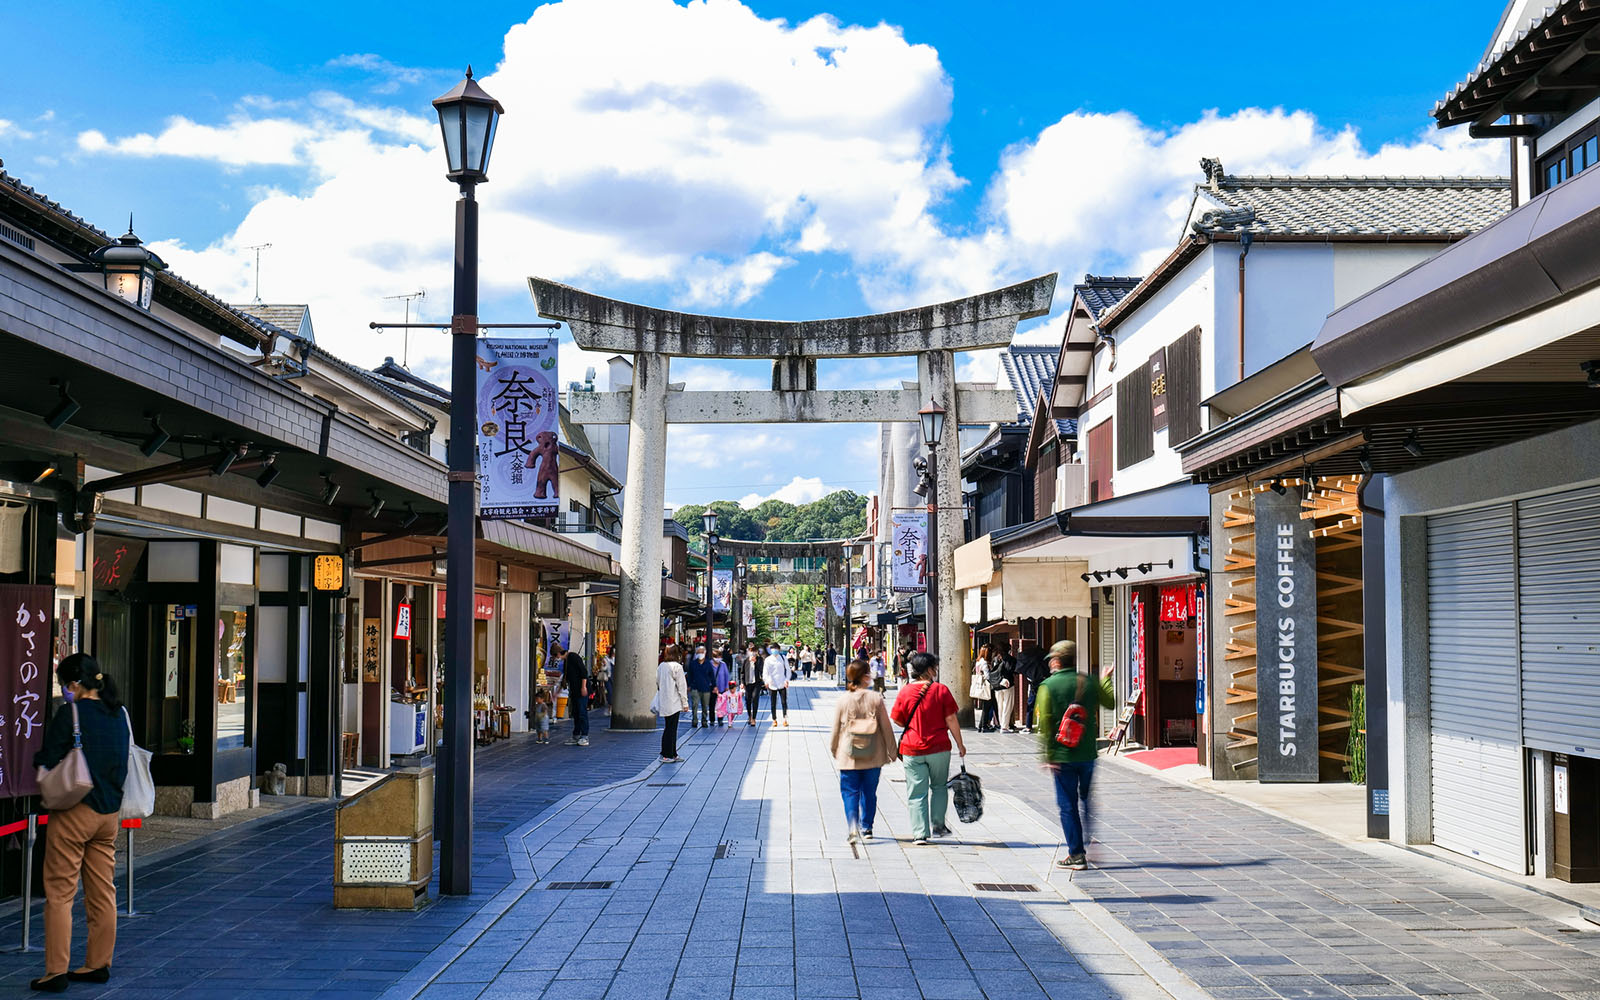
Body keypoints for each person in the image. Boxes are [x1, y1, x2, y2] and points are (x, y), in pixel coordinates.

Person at [32, 653, 129, 992]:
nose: (64, 691)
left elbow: (48, 757)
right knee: (103, 891)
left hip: (74, 811)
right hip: (109, 814)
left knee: (60, 891)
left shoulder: (70, 712)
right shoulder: (119, 713)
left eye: (64, 685)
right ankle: (98, 963)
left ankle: (56, 971)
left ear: (74, 684)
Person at [1034, 640, 1114, 870]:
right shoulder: (1087, 681)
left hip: (1062, 755)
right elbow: (1110, 702)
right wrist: (1105, 680)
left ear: (1057, 661)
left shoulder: (1048, 686)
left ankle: (1077, 854)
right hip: (1087, 754)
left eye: (1051, 660)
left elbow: (1044, 724)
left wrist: (1047, 754)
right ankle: (1088, 837)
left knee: (1067, 805)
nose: (1050, 664)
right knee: (1086, 799)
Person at [889, 652, 966, 845]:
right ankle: (938, 825)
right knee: (939, 787)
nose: (936, 671)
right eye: (935, 668)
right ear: (929, 670)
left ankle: (920, 834)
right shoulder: (941, 691)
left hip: (912, 748)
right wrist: (960, 744)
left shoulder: (905, 692)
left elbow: (898, 720)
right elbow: (951, 719)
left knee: (916, 792)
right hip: (939, 747)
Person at [828, 659, 897, 844]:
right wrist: (892, 751)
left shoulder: (843, 700)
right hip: (873, 755)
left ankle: (852, 827)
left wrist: (834, 748)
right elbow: (886, 727)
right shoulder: (876, 699)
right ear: (865, 677)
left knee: (850, 792)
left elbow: (835, 728)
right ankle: (867, 828)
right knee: (869, 792)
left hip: (849, 754)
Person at [656, 643, 690, 762]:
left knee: (669, 727)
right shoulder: (677, 667)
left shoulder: (661, 666)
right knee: (671, 728)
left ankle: (672, 753)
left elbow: (657, 682)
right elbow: (682, 686)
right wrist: (685, 703)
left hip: (664, 700)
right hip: (674, 701)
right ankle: (667, 754)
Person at [562, 647, 590, 747]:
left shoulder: (573, 657)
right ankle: (576, 735)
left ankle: (584, 736)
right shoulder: (566, 661)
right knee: (576, 712)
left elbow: (584, 673)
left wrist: (583, 687)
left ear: (559, 654)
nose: (558, 658)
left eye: (557, 656)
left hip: (581, 689)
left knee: (582, 712)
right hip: (574, 690)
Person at [1018, 642, 1049, 733]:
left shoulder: (1030, 662)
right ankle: (1042, 726)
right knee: (1043, 706)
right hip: (1043, 684)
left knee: (1030, 705)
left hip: (1033, 686)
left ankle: (1028, 726)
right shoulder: (1045, 660)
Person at [687, 644, 715, 729]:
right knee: (694, 704)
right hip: (695, 687)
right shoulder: (693, 664)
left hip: (706, 688)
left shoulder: (708, 663)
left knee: (705, 706)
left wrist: (714, 686)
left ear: (705, 653)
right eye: (698, 652)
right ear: (696, 653)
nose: (700, 654)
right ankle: (694, 721)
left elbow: (712, 675)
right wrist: (689, 685)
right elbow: (689, 675)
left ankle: (704, 721)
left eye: (702, 652)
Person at [763, 644, 791, 726]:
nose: (774, 650)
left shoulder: (783, 658)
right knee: (773, 702)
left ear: (779, 649)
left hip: (782, 682)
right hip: (772, 683)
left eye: (776, 648)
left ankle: (785, 719)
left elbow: (788, 670)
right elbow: (765, 672)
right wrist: (766, 681)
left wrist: (787, 680)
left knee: (784, 702)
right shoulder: (768, 660)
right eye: (772, 649)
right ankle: (774, 719)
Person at [993, 648, 1018, 733]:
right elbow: (1013, 670)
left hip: (997, 685)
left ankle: (1001, 725)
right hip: (1008, 684)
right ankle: (1004, 726)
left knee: (1000, 706)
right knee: (1007, 706)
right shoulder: (1010, 659)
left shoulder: (995, 659)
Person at [972, 644, 995, 732]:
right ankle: (984, 726)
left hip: (980, 686)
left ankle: (981, 725)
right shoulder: (984, 662)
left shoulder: (978, 661)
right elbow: (987, 676)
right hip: (986, 687)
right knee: (987, 706)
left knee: (985, 706)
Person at [742, 644, 764, 727]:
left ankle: (754, 718)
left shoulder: (759, 660)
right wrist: (742, 683)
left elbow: (762, 670)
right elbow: (743, 673)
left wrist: (755, 663)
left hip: (757, 683)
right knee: (748, 700)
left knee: (755, 699)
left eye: (754, 651)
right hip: (748, 683)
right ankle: (749, 716)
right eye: (751, 651)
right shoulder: (746, 660)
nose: (752, 653)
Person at [712, 649, 733, 726]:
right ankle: (712, 719)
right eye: (716, 657)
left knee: (721, 705)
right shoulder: (709, 664)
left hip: (722, 688)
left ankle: (720, 719)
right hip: (712, 688)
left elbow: (726, 676)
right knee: (712, 704)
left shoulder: (723, 664)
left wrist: (727, 686)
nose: (718, 658)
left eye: (719, 656)